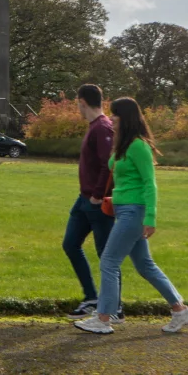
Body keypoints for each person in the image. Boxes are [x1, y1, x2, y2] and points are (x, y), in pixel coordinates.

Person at [74, 97, 188, 334]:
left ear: (126, 118)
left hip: (134, 211)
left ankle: (103, 318)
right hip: (124, 210)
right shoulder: (125, 145)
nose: (111, 119)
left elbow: (150, 183)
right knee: (145, 265)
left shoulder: (139, 146)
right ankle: (180, 310)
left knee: (109, 261)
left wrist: (150, 217)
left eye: (115, 115)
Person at [63, 84, 123, 321]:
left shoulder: (102, 128)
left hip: (97, 202)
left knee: (107, 255)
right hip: (83, 199)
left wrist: (98, 194)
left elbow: (108, 165)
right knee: (70, 244)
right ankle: (91, 298)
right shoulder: (95, 127)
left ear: (82, 102)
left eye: (77, 103)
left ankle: (115, 307)